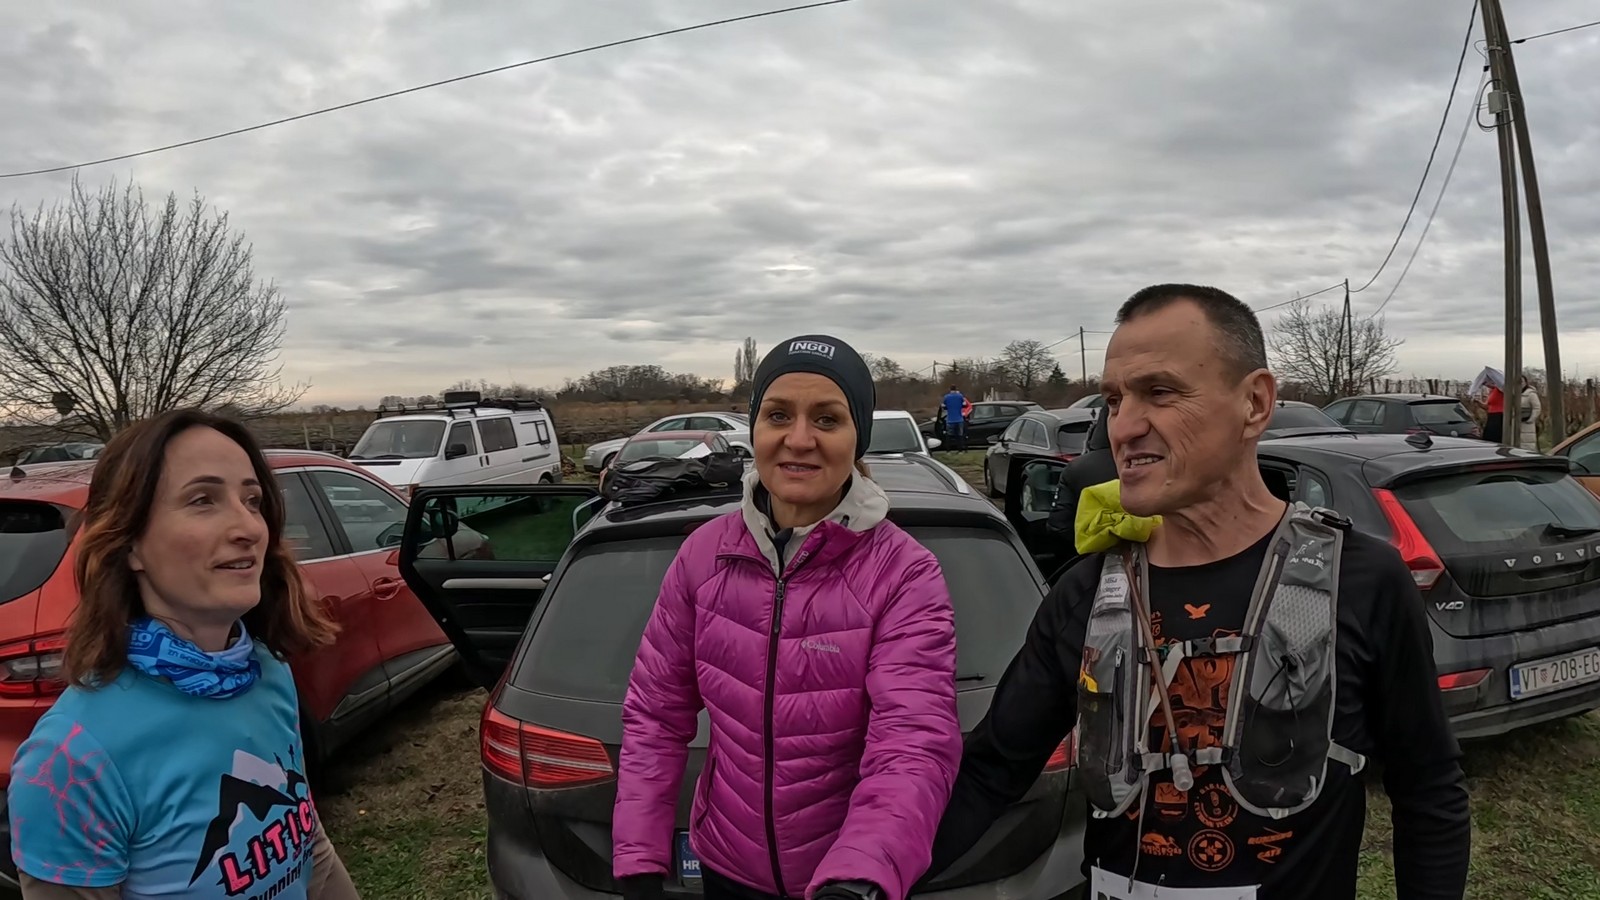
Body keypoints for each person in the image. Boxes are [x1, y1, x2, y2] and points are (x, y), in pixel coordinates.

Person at [928, 285, 1470, 900]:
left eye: (1160, 392)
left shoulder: (1359, 580)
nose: (1123, 426)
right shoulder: (1087, 594)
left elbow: (1428, 788)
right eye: (1114, 399)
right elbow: (990, 771)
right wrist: (864, 874)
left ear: (1255, 404)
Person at [613, 335, 962, 900]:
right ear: (754, 429)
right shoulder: (704, 555)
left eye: (827, 419)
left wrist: (860, 872)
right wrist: (638, 853)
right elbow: (655, 712)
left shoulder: (904, 573)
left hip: (845, 882)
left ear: (857, 436)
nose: (799, 440)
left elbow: (912, 741)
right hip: (727, 867)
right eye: (778, 415)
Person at [6, 409, 358, 900]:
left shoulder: (267, 671)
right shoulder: (70, 760)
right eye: (202, 500)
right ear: (129, 544)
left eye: (252, 501)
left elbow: (306, 846)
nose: (249, 527)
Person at [1519, 374, 1542, 450]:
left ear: (1526, 382)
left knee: (1527, 445)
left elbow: (1537, 408)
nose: (1520, 384)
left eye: (1522, 381)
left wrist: (1530, 419)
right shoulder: (1514, 394)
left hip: (1527, 424)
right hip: (1517, 423)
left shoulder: (1531, 394)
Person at [942, 385, 968, 450]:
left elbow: (943, 406)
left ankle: (948, 450)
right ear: (956, 389)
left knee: (949, 435)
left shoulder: (946, 397)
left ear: (950, 389)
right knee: (960, 435)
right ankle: (960, 450)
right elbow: (965, 404)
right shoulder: (960, 396)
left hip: (950, 419)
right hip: (959, 419)